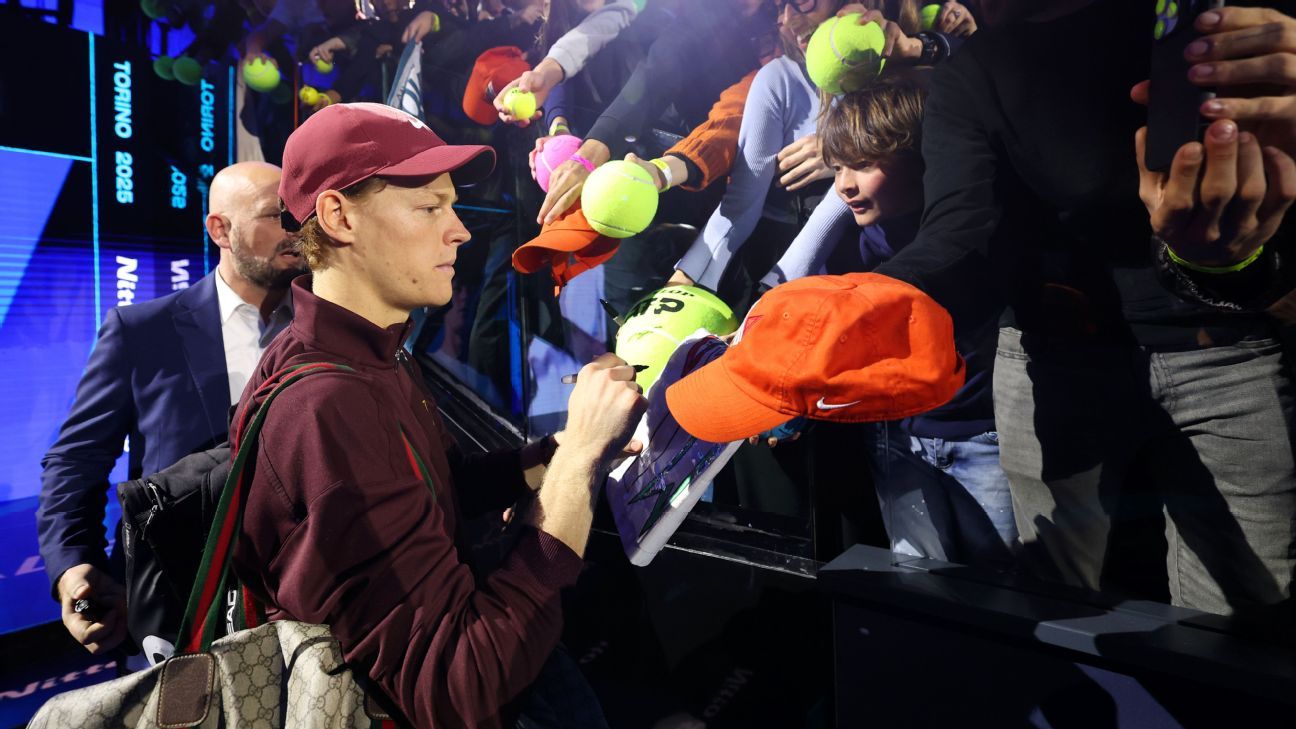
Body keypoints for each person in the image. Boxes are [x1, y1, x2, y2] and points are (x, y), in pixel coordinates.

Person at [872, 0, 1296, 614]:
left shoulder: (1220, 24)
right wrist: (870, 301)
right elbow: (958, 233)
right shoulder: (976, 71)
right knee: (1056, 603)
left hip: (1225, 353)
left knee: (1245, 625)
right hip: (1054, 359)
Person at [231, 102, 646, 727]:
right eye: (430, 207)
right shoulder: (326, 408)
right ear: (339, 216)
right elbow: (461, 684)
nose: (460, 231)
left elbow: (437, 491)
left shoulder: (368, 352)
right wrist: (579, 460)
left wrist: (555, 455)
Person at [37, 161, 304, 654]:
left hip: (302, 605)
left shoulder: (327, 324)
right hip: (176, 614)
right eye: (277, 215)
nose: (295, 228)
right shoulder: (141, 331)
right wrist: (74, 566)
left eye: (298, 214)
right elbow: (76, 460)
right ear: (220, 230)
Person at [819, 76, 1015, 566]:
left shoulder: (978, 233)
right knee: (915, 586)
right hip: (897, 439)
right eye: (838, 167)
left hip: (981, 438)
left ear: (922, 155)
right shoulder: (862, 242)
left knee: (1003, 592)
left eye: (863, 165)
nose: (844, 185)